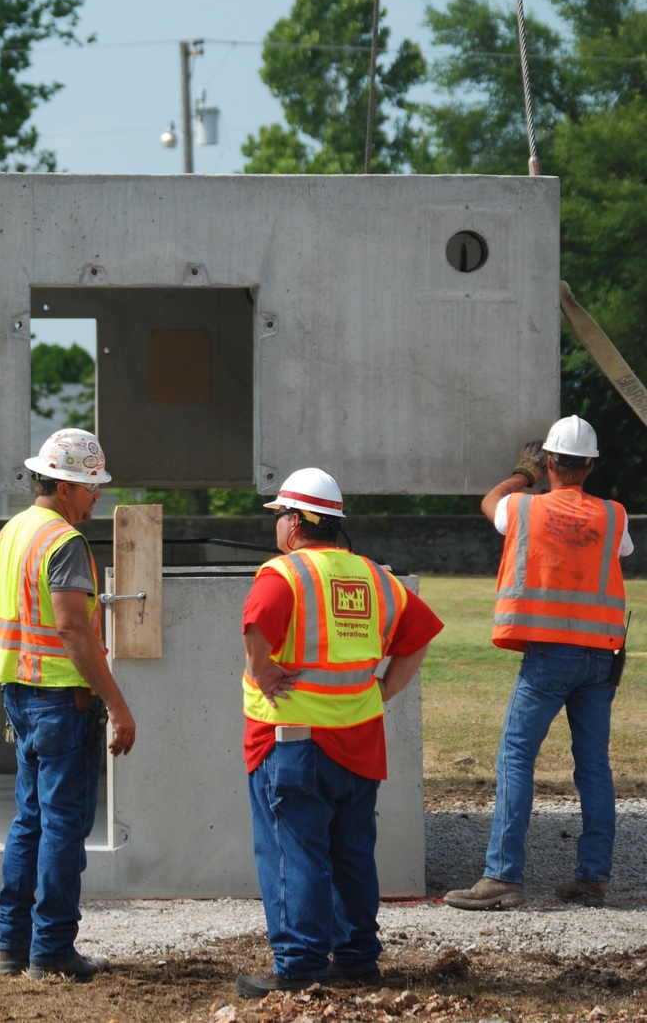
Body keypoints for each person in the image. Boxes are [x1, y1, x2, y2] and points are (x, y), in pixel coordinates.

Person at [236, 467, 443, 999]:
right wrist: (382, 690)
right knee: (352, 852)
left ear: (297, 522)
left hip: (293, 744)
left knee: (294, 853)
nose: (278, 524)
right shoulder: (374, 577)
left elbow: (256, 621)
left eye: (281, 514)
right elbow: (419, 632)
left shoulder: (284, 574)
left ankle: (299, 965)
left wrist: (260, 671)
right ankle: (356, 959)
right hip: (358, 742)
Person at [444, 415, 633, 912]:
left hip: (549, 656)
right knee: (593, 766)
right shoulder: (615, 516)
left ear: (549, 461)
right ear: (590, 465)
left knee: (516, 758)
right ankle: (593, 877)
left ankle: (503, 875)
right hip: (601, 659)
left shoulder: (524, 509)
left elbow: (490, 503)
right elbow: (620, 552)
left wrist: (522, 474)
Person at [0, 428, 136, 982]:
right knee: (64, 828)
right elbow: (72, 629)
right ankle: (51, 952)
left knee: (30, 823)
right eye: (92, 486)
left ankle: (12, 948)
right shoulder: (64, 542)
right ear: (67, 486)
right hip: (60, 701)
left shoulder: (12, 532)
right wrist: (116, 704)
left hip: (18, 695)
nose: (98, 497)